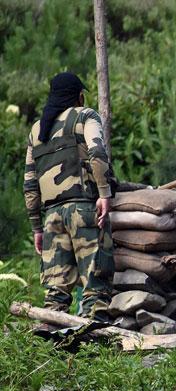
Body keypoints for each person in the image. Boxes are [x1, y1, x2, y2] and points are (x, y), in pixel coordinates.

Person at [23, 72, 116, 321]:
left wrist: (36, 228)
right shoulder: (85, 115)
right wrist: (104, 193)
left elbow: (30, 184)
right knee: (95, 287)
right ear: (79, 96)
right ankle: (91, 343)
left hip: (52, 216)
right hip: (84, 209)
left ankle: (50, 339)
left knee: (55, 292)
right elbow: (97, 151)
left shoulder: (37, 130)